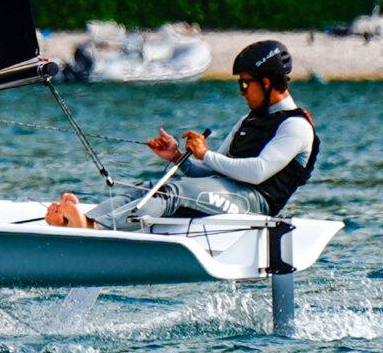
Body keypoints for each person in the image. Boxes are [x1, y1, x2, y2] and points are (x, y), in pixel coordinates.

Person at [46, 39, 318, 229]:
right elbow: (213, 172)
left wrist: (205, 154)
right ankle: (82, 221)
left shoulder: (295, 126)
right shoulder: (249, 120)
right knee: (148, 187)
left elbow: (258, 172)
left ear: (266, 83)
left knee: (173, 193)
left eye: (245, 84)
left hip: (253, 204)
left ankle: (96, 229)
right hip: (226, 192)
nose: (241, 92)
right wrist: (178, 157)